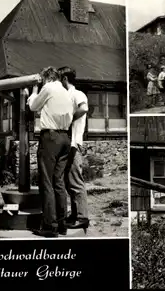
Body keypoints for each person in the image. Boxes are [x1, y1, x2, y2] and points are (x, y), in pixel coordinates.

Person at [25, 66, 74, 238]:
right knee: (58, 182)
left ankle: (49, 226)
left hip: (51, 137)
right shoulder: (66, 92)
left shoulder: (48, 87)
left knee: (46, 182)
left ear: (46, 78)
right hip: (65, 138)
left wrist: (34, 89)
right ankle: (61, 224)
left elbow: (33, 106)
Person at [58, 66, 90, 233]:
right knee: (69, 182)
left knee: (75, 181)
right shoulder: (66, 95)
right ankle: (75, 214)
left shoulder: (77, 94)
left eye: (59, 80)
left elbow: (84, 108)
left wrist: (69, 119)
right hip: (67, 143)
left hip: (74, 143)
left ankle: (83, 217)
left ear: (64, 79)